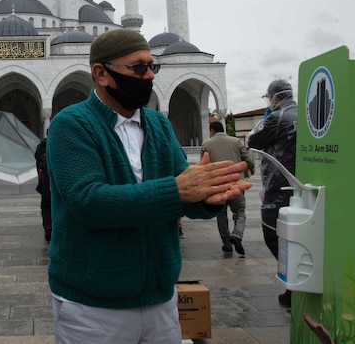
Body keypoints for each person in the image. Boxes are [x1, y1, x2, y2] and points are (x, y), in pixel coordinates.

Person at [45, 28, 251, 343]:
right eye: (138, 68)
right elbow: (90, 202)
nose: (148, 76)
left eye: (152, 67)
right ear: (101, 73)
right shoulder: (71, 124)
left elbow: (183, 193)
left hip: (160, 297)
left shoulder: (157, 124)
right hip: (94, 308)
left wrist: (209, 196)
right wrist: (180, 190)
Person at [246, 78, 297, 306]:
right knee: (299, 236)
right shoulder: (305, 115)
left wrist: (267, 118)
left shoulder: (277, 117)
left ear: (275, 97)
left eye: (269, 98)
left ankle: (295, 283)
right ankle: (297, 282)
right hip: (301, 186)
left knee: (274, 235)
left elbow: (252, 141)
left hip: (279, 188)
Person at [201, 120, 254, 255]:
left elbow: (203, 165)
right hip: (236, 184)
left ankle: (226, 243)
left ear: (212, 130)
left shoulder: (207, 144)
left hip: (219, 185)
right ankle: (237, 235)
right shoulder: (236, 142)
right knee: (240, 212)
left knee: (221, 214)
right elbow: (249, 160)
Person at [34, 136, 51, 241]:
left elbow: (37, 163)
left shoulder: (40, 147)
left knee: (45, 207)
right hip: (55, 184)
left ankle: (48, 226)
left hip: (44, 182)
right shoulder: (59, 145)